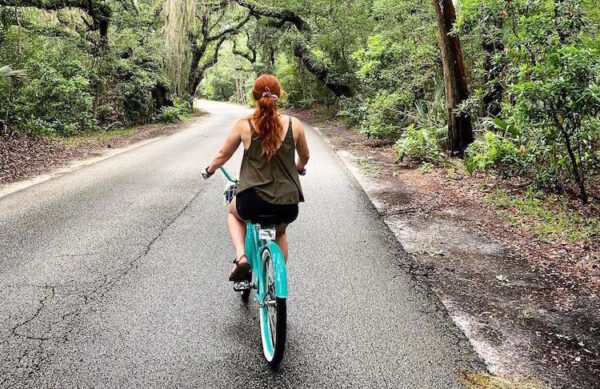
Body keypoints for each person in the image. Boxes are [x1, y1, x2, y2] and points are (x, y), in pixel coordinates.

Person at [202, 74, 310, 282]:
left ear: (254, 96)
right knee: (280, 233)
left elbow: (223, 155)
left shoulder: (245, 125)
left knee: (234, 214)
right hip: (287, 203)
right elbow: (305, 156)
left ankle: (241, 257)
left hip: (252, 200)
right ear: (279, 95)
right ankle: (276, 281)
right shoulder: (294, 124)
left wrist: (209, 170)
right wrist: (299, 168)